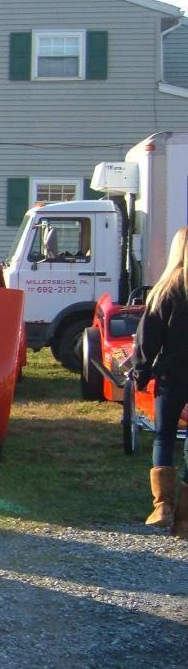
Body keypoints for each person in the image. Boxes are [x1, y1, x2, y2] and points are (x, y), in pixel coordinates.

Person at [132, 225, 188, 539]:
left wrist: (141, 373)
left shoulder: (165, 291)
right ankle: (185, 522)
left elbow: (147, 339)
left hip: (171, 376)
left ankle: (163, 505)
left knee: (164, 437)